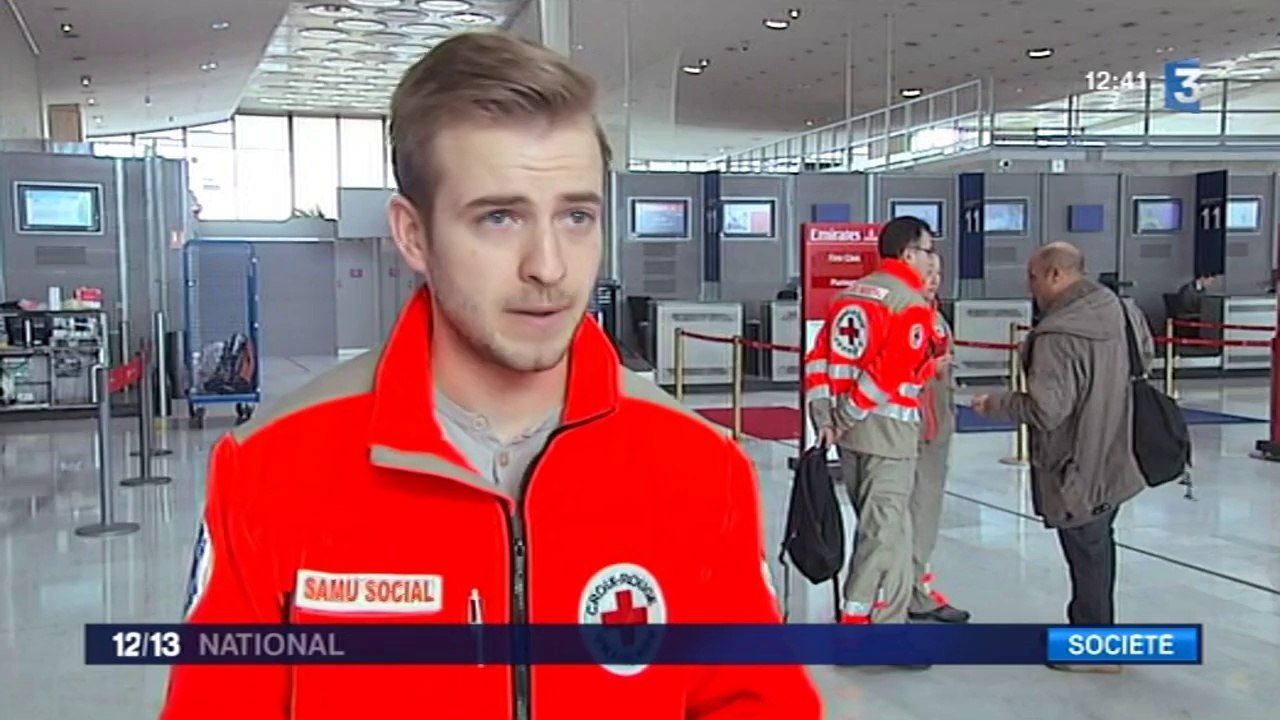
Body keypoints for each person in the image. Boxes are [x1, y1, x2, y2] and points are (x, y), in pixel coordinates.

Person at [161, 32, 821, 717]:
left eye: (576, 216)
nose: (549, 265)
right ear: (414, 236)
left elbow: (757, 700)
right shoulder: (273, 469)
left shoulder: (698, 467)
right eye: (500, 217)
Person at [971, 242, 1152, 673]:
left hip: (1077, 461)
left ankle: (1096, 647)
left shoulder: (1058, 335)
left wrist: (995, 404)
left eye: (1033, 277)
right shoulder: (1122, 310)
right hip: (1119, 449)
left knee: (1087, 550)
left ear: (1054, 274)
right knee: (1099, 545)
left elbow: (1046, 409)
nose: (1031, 288)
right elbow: (1142, 362)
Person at [803, 215, 940, 633]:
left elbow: (819, 361)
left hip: (851, 438)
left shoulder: (849, 296)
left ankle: (890, 623)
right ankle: (858, 620)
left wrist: (826, 418)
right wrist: (847, 414)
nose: (931, 259)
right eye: (928, 250)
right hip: (889, 436)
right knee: (881, 532)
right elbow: (888, 372)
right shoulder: (909, 304)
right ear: (908, 253)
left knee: (891, 527)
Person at [908, 253, 970, 624]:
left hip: (936, 424)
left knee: (926, 514)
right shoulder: (907, 313)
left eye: (938, 272)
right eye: (927, 272)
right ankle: (909, 591)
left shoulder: (934, 315)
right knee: (911, 513)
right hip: (913, 426)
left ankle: (919, 586)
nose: (933, 279)